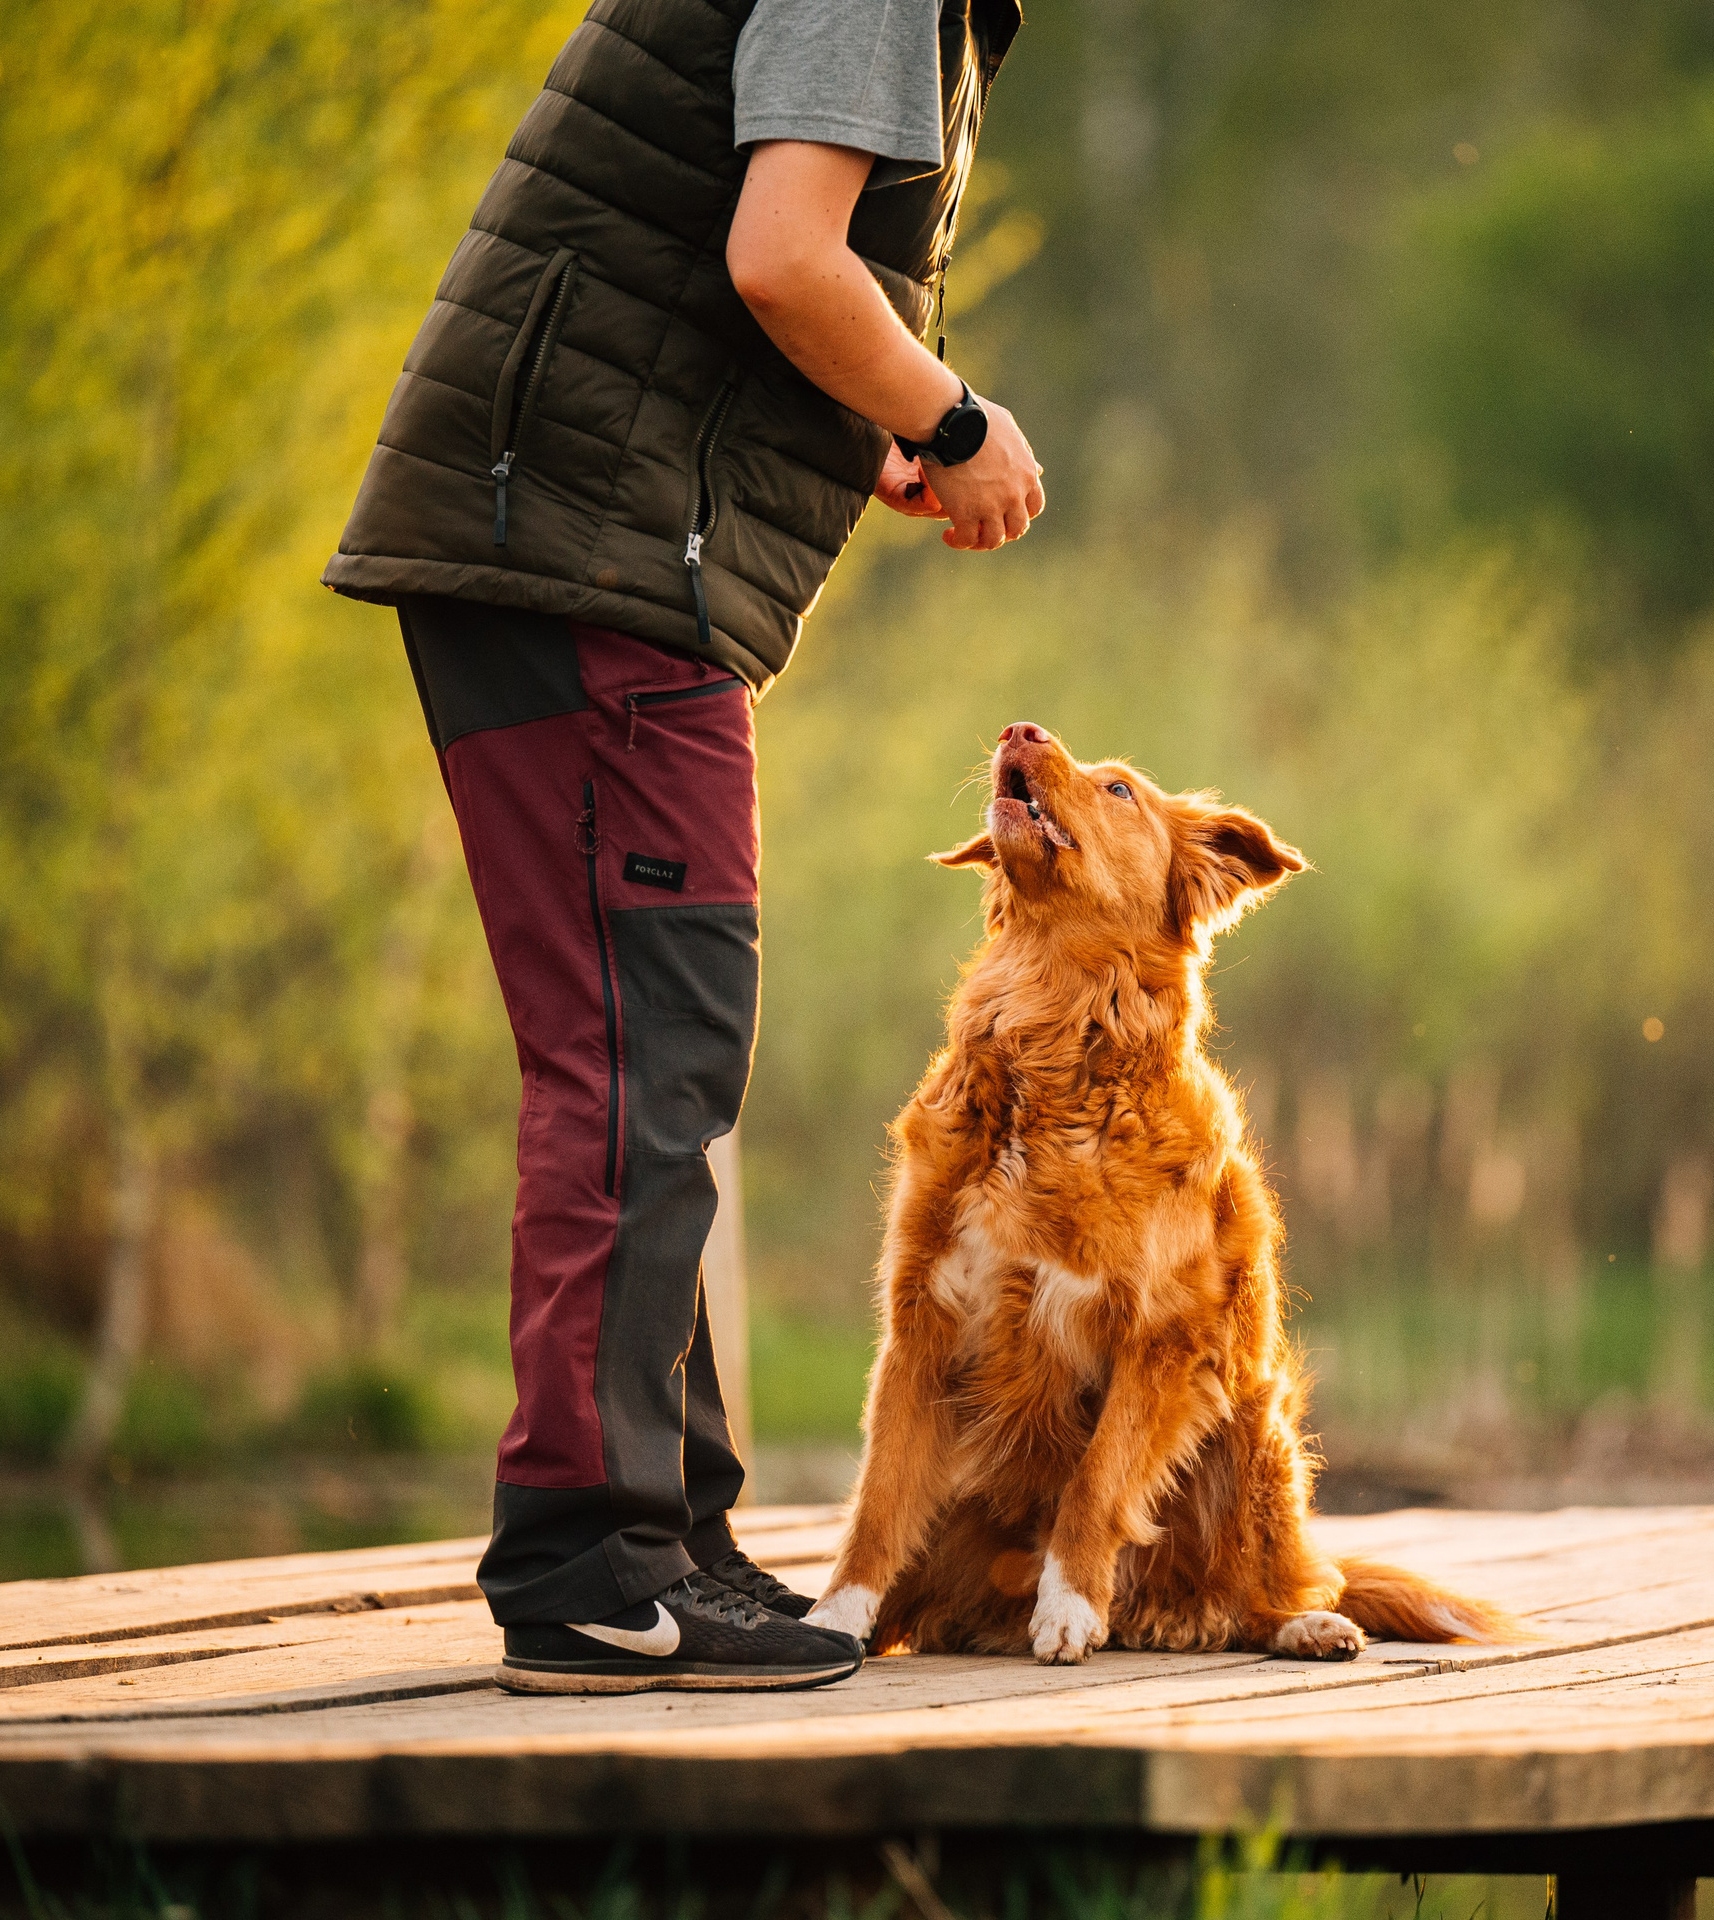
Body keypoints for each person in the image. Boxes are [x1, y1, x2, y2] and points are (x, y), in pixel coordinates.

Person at [322, 0, 1044, 1694]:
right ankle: (587, 1564)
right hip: (594, 554)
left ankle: (671, 1539)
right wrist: (951, 419)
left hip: (580, 532)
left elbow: (741, 263)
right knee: (642, 1057)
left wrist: (858, 422)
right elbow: (783, 257)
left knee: (661, 1057)